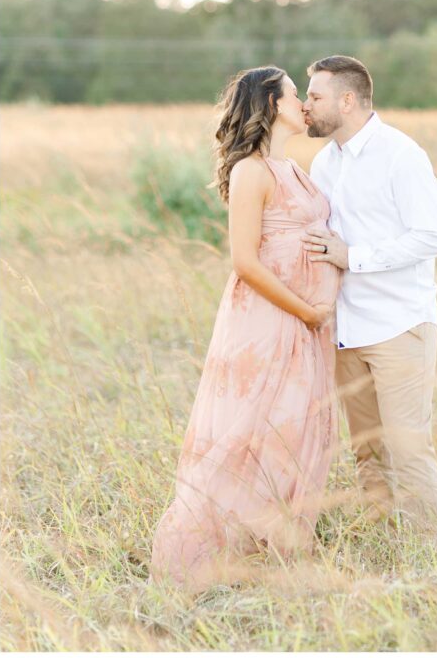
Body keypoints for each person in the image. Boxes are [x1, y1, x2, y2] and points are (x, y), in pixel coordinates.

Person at [149, 66, 341, 593]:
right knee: (254, 426)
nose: (303, 103)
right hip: (271, 316)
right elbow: (244, 262)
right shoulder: (251, 171)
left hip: (311, 320)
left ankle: (274, 545)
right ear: (271, 104)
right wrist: (306, 310)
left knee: (298, 426)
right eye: (295, 95)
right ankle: (215, 552)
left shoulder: (298, 171)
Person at [301, 55, 437, 528]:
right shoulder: (324, 162)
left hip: (398, 325)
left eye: (315, 97)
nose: (306, 106)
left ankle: (427, 556)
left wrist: (354, 256)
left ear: (347, 101)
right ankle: (385, 541)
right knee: (367, 449)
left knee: (408, 448)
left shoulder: (401, 155)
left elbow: (432, 236)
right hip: (346, 329)